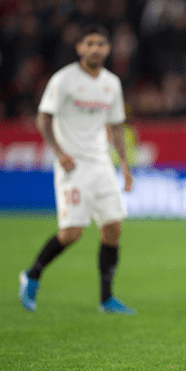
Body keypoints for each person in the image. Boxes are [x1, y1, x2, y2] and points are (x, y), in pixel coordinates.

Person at [19, 24, 136, 315]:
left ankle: (106, 298)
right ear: (80, 48)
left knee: (113, 228)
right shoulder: (64, 80)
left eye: (100, 44)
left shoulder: (111, 83)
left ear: (108, 49)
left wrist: (123, 163)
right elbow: (43, 120)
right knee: (71, 233)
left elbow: (117, 126)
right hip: (73, 165)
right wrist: (59, 153)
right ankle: (31, 275)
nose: (95, 48)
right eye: (90, 43)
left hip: (100, 163)